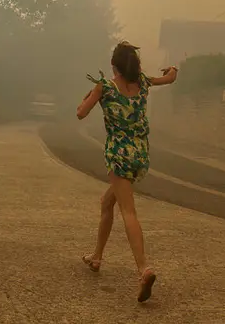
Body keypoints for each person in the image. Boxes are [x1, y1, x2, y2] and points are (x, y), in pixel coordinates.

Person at [76, 41, 178, 302]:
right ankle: (97, 257)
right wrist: (173, 70)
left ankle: (144, 269)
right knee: (107, 202)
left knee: (128, 211)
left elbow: (80, 113)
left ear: (114, 66)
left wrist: (90, 96)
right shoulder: (143, 82)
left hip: (119, 156)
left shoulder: (105, 86)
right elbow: (169, 78)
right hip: (139, 155)